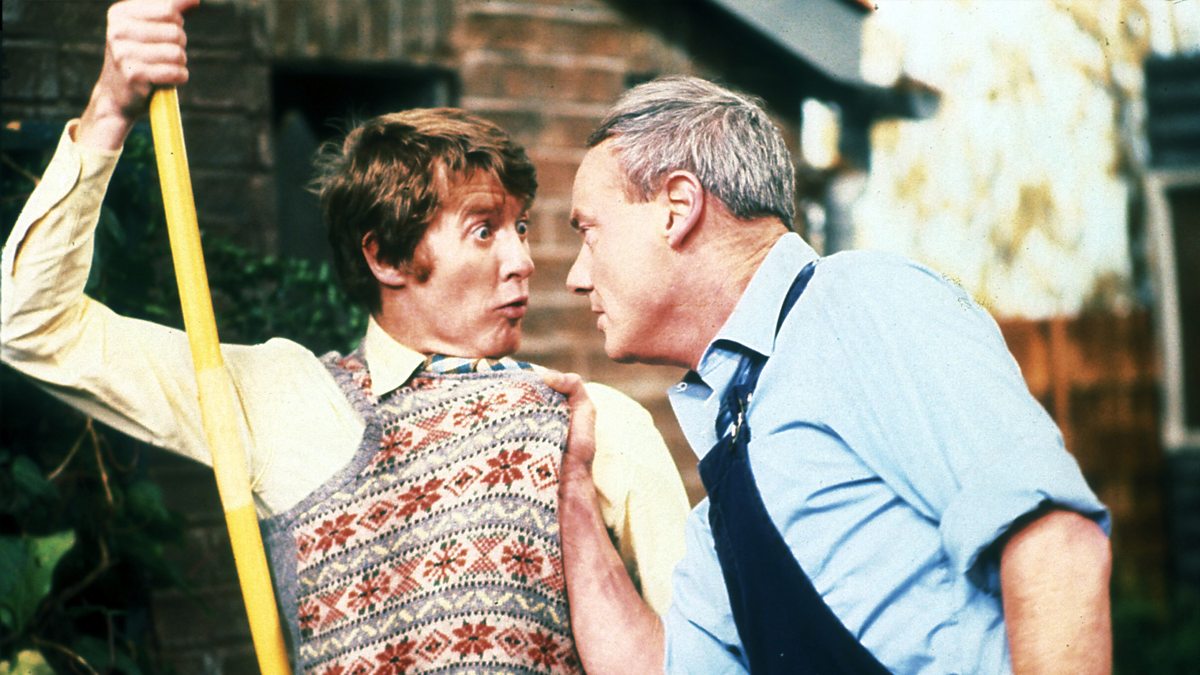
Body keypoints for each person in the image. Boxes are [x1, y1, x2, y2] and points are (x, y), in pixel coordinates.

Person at [0, 1, 689, 673]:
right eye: (485, 230)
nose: (522, 260)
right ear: (385, 257)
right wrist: (110, 109)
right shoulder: (281, 402)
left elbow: (702, 661)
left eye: (521, 226)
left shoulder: (599, 426)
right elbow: (30, 323)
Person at [545, 75, 1113, 674]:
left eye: (589, 232)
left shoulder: (863, 304)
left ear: (678, 209)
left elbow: (1054, 546)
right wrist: (572, 491)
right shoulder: (733, 458)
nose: (577, 277)